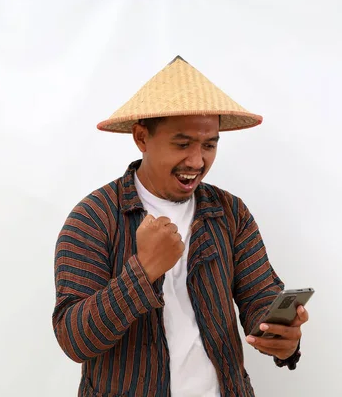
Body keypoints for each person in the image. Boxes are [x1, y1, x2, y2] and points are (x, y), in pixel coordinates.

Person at [52, 56, 309, 397]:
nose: (197, 161)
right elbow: (74, 340)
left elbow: (259, 297)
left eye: (209, 145)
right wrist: (143, 272)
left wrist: (281, 336)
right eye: (183, 144)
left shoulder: (229, 213)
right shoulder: (93, 219)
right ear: (141, 137)